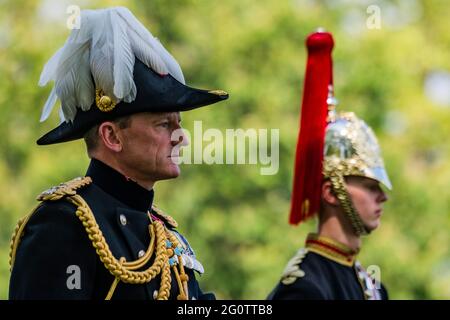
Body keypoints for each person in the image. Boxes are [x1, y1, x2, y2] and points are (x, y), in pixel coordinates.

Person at [9, 7, 228, 300]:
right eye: (164, 124)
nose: (180, 138)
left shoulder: (164, 235)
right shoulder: (64, 224)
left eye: (179, 123)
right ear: (111, 136)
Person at [268, 31, 391, 300]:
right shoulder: (304, 288)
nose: (382, 196)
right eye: (370, 186)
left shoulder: (372, 286)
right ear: (331, 192)